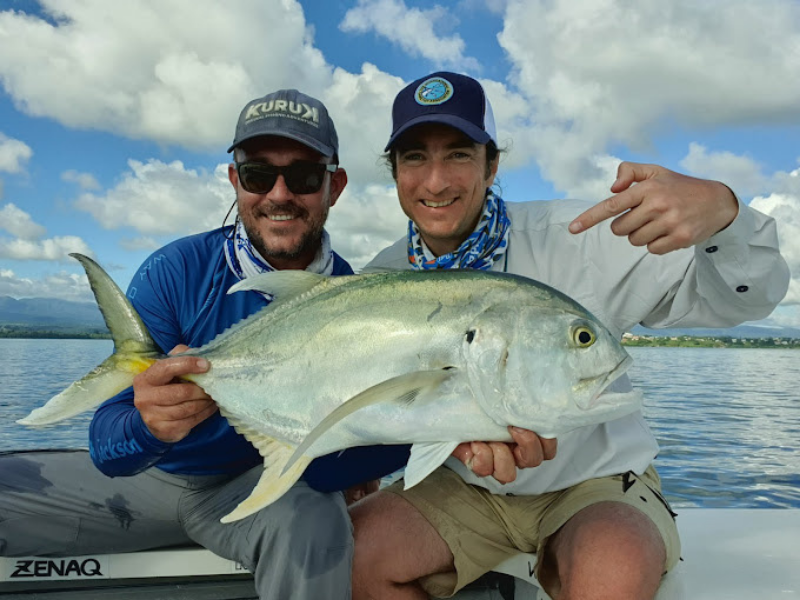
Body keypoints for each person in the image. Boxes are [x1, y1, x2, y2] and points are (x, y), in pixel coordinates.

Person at [349, 71, 790, 600]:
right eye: (415, 157)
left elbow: (743, 300)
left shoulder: (582, 237)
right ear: (394, 172)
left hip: (595, 485)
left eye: (460, 155)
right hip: (463, 486)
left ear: (492, 165)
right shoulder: (379, 280)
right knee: (347, 555)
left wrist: (724, 215)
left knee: (614, 569)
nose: (436, 181)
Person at [0, 88, 409, 599]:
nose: (280, 194)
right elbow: (109, 447)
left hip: (257, 487)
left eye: (303, 176)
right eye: (259, 174)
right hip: (147, 480)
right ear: (236, 180)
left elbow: (341, 447)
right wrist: (151, 424)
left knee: (315, 524)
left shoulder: (360, 298)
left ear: (335, 185)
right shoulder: (176, 271)